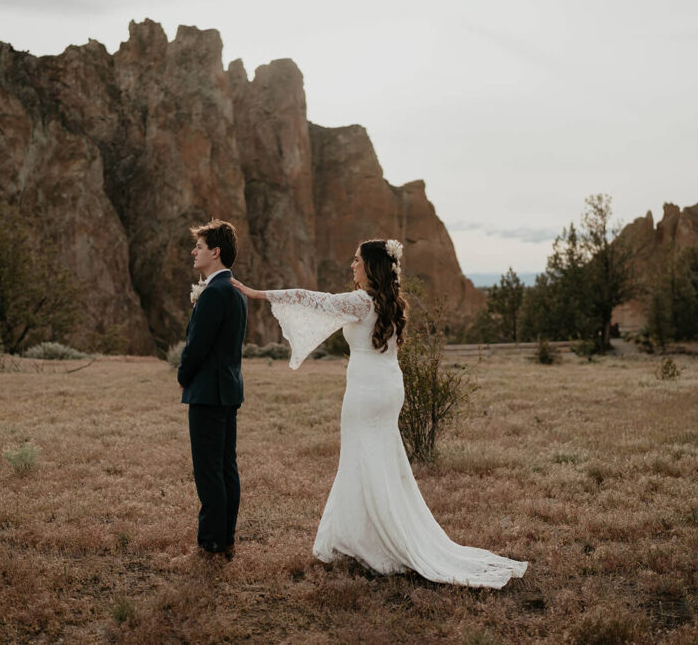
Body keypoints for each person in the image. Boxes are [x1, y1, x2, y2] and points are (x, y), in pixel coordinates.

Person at [232, 239, 527, 588]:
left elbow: (314, 299)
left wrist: (257, 294)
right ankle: (359, 535)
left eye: (356, 260)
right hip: (388, 386)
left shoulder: (360, 301)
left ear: (371, 267)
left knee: (362, 460)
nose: (352, 265)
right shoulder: (391, 303)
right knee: (378, 460)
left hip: (366, 391)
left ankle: (370, 541)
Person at [178, 219, 247, 558]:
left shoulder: (214, 292)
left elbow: (197, 346)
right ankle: (226, 536)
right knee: (225, 466)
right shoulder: (235, 290)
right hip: (228, 390)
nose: (194, 251)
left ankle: (211, 542)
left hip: (207, 392)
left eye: (200, 247)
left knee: (208, 470)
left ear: (215, 252)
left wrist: (183, 375)